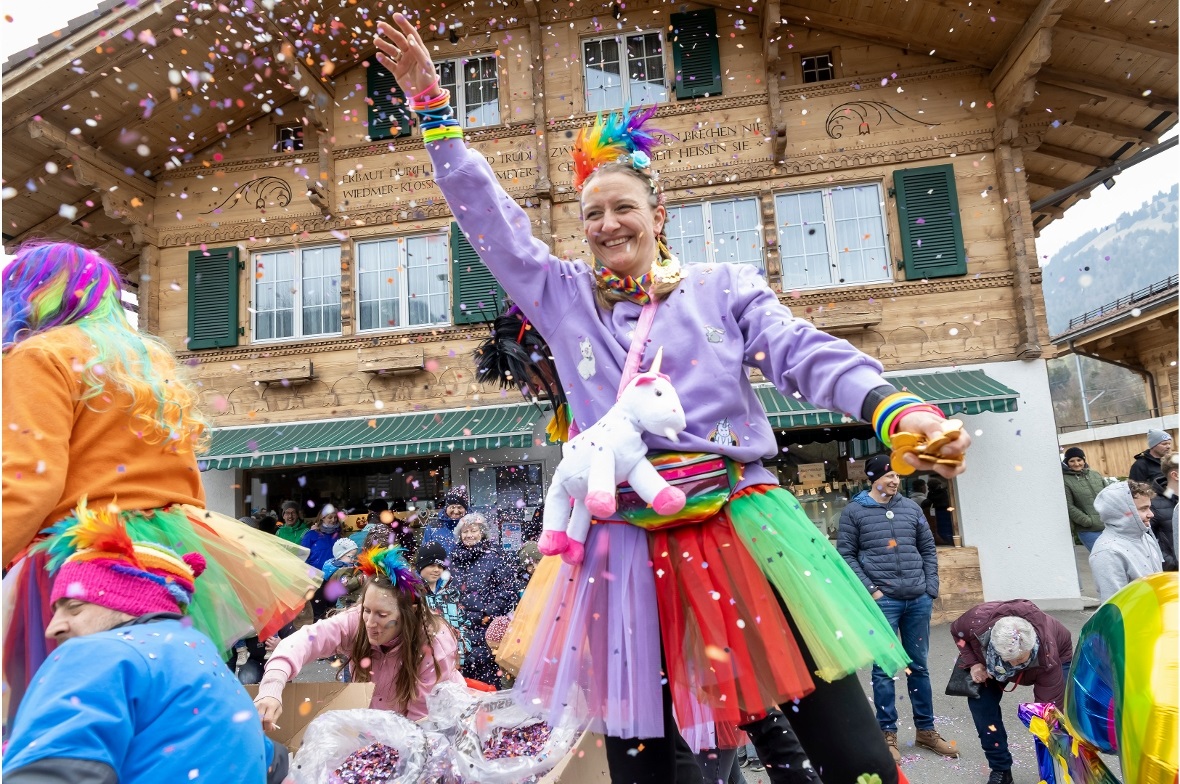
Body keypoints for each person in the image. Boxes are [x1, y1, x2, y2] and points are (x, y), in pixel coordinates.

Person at [374, 16, 970, 783]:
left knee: (850, 752)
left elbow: (801, 353)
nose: (606, 223)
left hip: (744, 530)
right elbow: (489, 221)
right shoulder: (560, 299)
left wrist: (896, 408)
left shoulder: (725, 288)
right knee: (654, 766)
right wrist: (431, 104)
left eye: (623, 207)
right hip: (625, 552)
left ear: (660, 215)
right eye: (592, 214)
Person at [1, 242, 317, 723]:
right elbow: (186, 478)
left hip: (80, 553)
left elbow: (29, 483)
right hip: (163, 549)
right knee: (159, 711)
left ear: (28, 296)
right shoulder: (147, 361)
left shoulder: (39, 355)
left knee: (57, 715)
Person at [4, 511, 287, 783]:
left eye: (74, 608)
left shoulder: (100, 653)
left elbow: (50, 772)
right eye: (56, 611)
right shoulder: (201, 654)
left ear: (127, 600)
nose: (53, 628)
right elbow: (272, 762)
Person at [254, 546, 465, 726]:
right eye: (366, 610)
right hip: (378, 723)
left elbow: (421, 723)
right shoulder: (356, 621)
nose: (370, 623)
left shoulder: (433, 644)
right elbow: (303, 642)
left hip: (432, 726)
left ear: (410, 611)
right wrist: (272, 687)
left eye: (382, 615)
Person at [837, 454, 958, 762]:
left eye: (897, 476)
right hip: (884, 602)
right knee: (885, 669)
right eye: (888, 476)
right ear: (872, 478)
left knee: (919, 666)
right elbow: (846, 555)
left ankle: (926, 732)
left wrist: (930, 587)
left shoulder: (910, 508)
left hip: (918, 599)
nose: (894, 480)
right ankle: (887, 735)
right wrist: (873, 591)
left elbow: (928, 547)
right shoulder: (854, 512)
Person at [949, 600, 1073, 784]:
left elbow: (1048, 714)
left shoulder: (1048, 655)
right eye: (1010, 660)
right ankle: (1001, 769)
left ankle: (1055, 773)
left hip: (1051, 660)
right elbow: (957, 632)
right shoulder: (976, 622)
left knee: (1049, 720)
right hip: (992, 663)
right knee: (982, 707)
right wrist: (974, 663)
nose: (1015, 665)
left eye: (1020, 659)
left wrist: (1051, 775)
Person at [448, 512, 521, 688]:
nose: (469, 535)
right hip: (461, 628)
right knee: (465, 682)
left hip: (485, 628)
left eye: (474, 530)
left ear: (482, 532)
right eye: (465, 531)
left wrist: (488, 613)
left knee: (488, 680)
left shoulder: (494, 556)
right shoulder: (454, 559)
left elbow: (508, 590)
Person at [1089, 480, 1164, 602]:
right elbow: (1114, 605)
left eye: (1149, 507)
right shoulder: (1108, 552)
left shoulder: (1145, 537)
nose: (1151, 514)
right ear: (1120, 512)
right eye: (1143, 509)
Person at [416, 541, 472, 666]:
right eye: (431, 565)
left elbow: (464, 624)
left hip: (453, 663)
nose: (437, 570)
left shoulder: (451, 594)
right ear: (421, 566)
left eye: (440, 566)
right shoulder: (412, 595)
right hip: (424, 663)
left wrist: (460, 652)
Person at [1061, 446, 1107, 551]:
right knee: (1102, 558)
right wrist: (1087, 521)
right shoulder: (1065, 480)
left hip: (1109, 526)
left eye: (1079, 460)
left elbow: (1109, 495)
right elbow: (1068, 506)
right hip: (1089, 530)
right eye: (1072, 461)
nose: (1076, 464)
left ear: (1084, 460)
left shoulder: (1095, 474)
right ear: (1067, 462)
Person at [1150, 452, 1178, 571]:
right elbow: (1148, 543)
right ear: (1175, 475)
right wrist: (1174, 564)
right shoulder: (1152, 505)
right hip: (1173, 575)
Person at [422, 487, 469, 555]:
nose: (456, 511)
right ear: (446, 508)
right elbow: (425, 553)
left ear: (465, 509)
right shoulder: (433, 527)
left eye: (459, 507)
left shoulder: (473, 524)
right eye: (452, 507)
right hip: (441, 565)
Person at [323, 538, 365, 609]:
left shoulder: (347, 566)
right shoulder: (342, 570)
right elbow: (346, 585)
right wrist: (360, 578)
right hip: (346, 603)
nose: (353, 559)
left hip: (349, 599)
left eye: (355, 557)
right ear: (340, 555)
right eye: (351, 556)